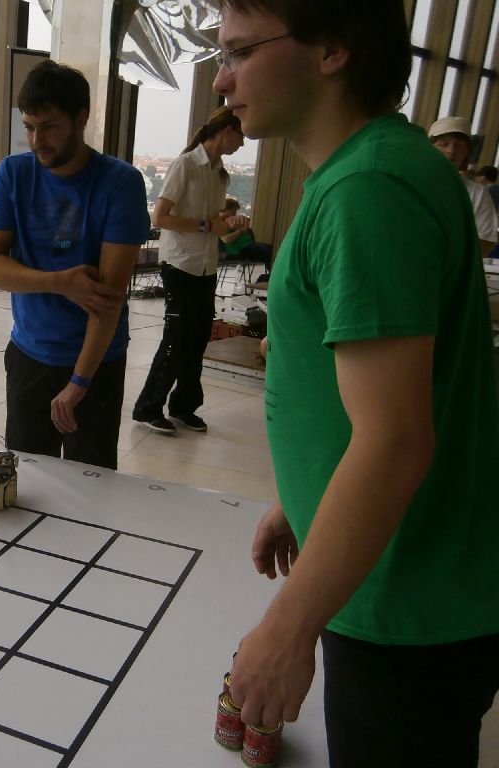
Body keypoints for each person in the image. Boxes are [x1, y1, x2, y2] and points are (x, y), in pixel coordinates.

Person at [213, 2, 499, 766]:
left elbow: (396, 442)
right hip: (404, 576)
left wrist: (287, 628)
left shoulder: (366, 190)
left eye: (239, 51)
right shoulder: (381, 165)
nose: (221, 80)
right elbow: (398, 394)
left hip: (404, 604)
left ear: (331, 48)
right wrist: (302, 496)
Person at [0, 59, 149, 470]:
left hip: (96, 362)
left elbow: (107, 301)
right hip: (29, 355)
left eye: (49, 126)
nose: (37, 140)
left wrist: (79, 381)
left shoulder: (120, 183)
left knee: (90, 485)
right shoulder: (13, 174)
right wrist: (60, 282)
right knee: (28, 478)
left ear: (81, 118)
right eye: (29, 127)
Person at [131, 106, 248, 434]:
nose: (242, 144)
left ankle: (184, 407)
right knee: (176, 338)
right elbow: (160, 218)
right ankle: (148, 407)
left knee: (197, 339)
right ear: (227, 131)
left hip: (206, 265)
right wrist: (206, 225)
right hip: (180, 264)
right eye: (241, 137)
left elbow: (215, 227)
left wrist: (229, 223)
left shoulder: (219, 173)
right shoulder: (185, 165)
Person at [428, 116, 499, 258]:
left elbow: (485, 242)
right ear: (429, 148)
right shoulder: (411, 185)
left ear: (467, 151)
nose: (451, 151)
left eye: (459, 145)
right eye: (444, 144)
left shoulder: (477, 193)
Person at [219, 197, 272, 278]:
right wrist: (241, 231)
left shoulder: (233, 221)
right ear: (226, 210)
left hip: (248, 245)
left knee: (272, 249)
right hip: (238, 249)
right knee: (266, 252)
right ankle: (272, 275)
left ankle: (272, 274)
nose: (235, 214)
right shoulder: (221, 223)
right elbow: (226, 239)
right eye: (233, 211)